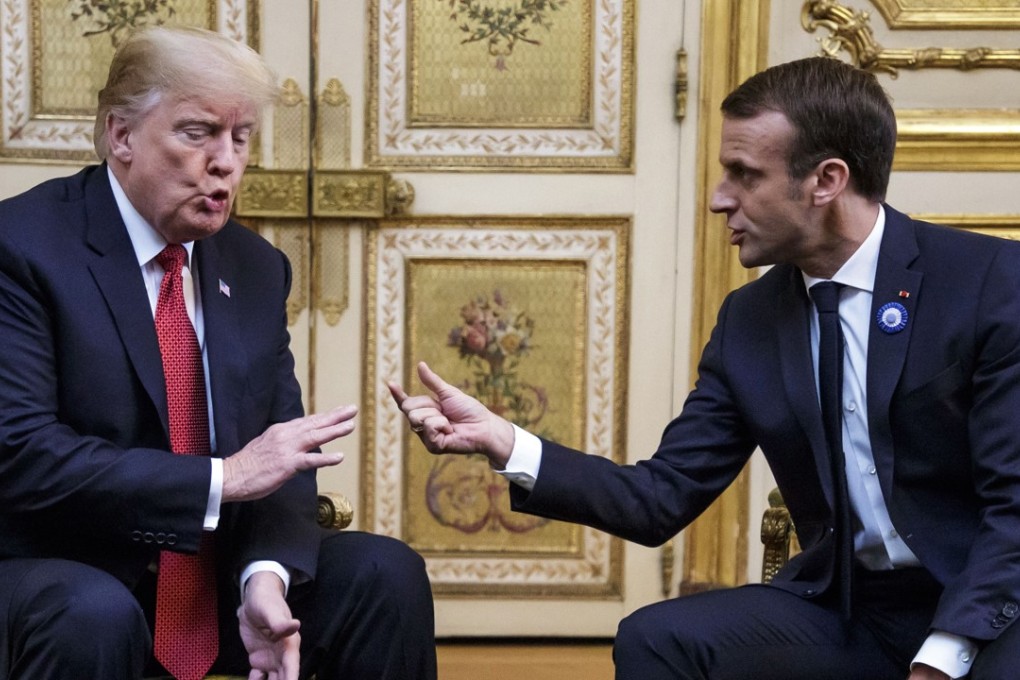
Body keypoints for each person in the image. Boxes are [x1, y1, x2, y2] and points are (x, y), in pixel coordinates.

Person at [389, 56, 1020, 680]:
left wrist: (940, 661)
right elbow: (660, 497)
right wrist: (504, 443)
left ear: (826, 180)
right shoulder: (750, 320)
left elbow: (1014, 511)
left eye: (744, 175)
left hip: (992, 607)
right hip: (853, 610)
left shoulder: (988, 283)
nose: (720, 200)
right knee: (659, 640)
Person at [0, 25, 436, 680]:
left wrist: (267, 579)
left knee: (383, 572)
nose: (226, 161)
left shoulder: (255, 268)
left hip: (208, 583)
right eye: (198, 132)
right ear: (121, 135)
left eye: (241, 137)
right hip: (58, 573)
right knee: (93, 612)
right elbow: (22, 455)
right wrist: (222, 479)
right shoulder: (24, 247)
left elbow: (282, 453)